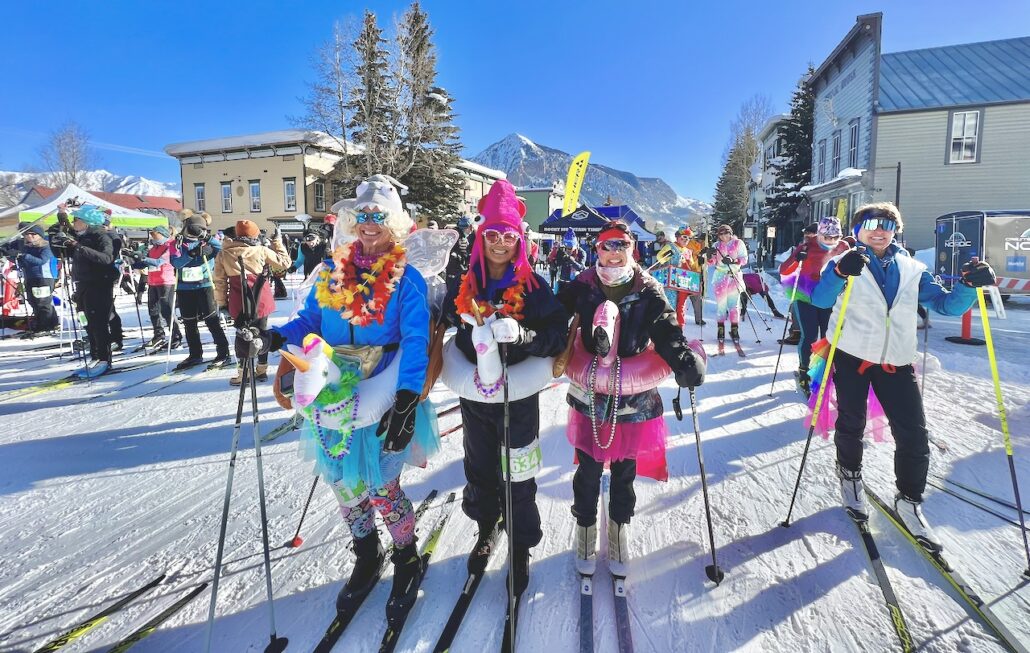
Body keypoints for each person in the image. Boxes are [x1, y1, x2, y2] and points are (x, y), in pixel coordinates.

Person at [237, 175, 440, 618]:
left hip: (384, 391)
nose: (369, 226)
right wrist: (271, 338)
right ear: (352, 221)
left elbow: (415, 340)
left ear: (395, 226)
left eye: (379, 219)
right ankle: (367, 553)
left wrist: (406, 401)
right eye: (362, 217)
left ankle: (405, 556)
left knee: (383, 487)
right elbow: (308, 320)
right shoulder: (331, 269)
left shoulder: (407, 279)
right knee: (345, 486)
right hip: (332, 388)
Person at [810, 202, 995, 550]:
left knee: (914, 434)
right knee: (852, 422)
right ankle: (850, 475)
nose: (879, 230)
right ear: (859, 228)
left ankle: (909, 500)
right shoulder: (843, 262)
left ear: (896, 230)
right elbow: (820, 300)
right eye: (871, 223)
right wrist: (838, 274)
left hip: (897, 361)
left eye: (887, 224)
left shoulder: (912, 268)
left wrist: (969, 285)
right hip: (852, 356)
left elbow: (947, 305)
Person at [558, 220, 706, 578]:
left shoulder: (649, 290)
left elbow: (667, 331)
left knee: (624, 470)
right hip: (591, 392)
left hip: (633, 397)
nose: (614, 251)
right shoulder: (582, 286)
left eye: (621, 244)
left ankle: (620, 526)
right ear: (597, 250)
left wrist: (684, 360)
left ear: (631, 249)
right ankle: (586, 528)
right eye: (607, 245)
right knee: (588, 469)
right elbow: (551, 319)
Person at [441, 179, 568, 595]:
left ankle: (520, 549)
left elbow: (557, 335)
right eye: (491, 234)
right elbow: (441, 323)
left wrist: (524, 335)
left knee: (519, 474)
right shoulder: (464, 282)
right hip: (475, 396)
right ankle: (486, 527)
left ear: (519, 239)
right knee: (479, 469)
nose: (499, 243)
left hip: (518, 399)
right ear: (481, 237)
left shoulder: (533, 287)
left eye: (507, 235)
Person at [778, 216, 850, 397]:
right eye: (827, 237)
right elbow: (784, 270)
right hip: (806, 297)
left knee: (829, 337)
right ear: (819, 235)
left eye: (835, 237)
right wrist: (797, 259)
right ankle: (804, 372)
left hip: (830, 297)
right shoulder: (806, 246)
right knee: (809, 335)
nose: (831, 242)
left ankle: (824, 371)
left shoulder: (843, 247)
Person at [213, 220, 291, 385]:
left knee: (242, 335)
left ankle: (243, 373)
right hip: (261, 299)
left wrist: (221, 304)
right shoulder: (261, 250)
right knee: (261, 333)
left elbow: (219, 281)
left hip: (238, 299)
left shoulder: (224, 253)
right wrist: (277, 242)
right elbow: (285, 263)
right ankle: (261, 369)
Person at [50, 205, 118, 378]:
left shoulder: (101, 236)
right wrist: (61, 214)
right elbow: (67, 229)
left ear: (86, 222)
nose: (74, 223)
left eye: (76, 220)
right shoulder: (83, 236)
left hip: (99, 285)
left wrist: (77, 246)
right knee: (86, 321)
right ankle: (95, 356)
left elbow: (107, 258)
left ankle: (104, 359)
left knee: (99, 323)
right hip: (82, 284)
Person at [170, 213, 231, 371]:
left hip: (205, 286)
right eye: (192, 230)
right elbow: (175, 262)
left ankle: (223, 352)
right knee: (189, 323)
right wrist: (191, 254)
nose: (193, 234)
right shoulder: (178, 243)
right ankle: (195, 354)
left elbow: (222, 249)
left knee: (211, 320)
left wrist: (208, 238)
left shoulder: (206, 243)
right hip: (185, 288)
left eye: (197, 231)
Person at [130, 226, 182, 349]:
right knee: (153, 309)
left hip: (166, 281)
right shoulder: (153, 248)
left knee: (166, 310)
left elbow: (159, 262)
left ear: (163, 235)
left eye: (155, 235)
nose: (153, 237)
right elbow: (145, 262)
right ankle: (158, 335)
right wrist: (133, 260)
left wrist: (142, 258)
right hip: (153, 281)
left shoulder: (170, 246)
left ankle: (176, 335)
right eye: (152, 235)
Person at [1, 225, 59, 335]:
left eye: (33, 234)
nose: (29, 236)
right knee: (33, 301)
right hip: (30, 277)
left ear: (40, 235)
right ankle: (46, 323)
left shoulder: (46, 246)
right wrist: (11, 256)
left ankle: (46, 326)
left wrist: (23, 255)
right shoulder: (28, 247)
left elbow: (40, 261)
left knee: (42, 302)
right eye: (27, 234)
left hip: (43, 277)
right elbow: (23, 260)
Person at [705, 224, 748, 344]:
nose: (724, 236)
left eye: (726, 233)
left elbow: (744, 259)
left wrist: (733, 260)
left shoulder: (738, 243)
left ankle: (735, 329)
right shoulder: (716, 245)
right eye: (721, 234)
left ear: (730, 233)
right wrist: (709, 256)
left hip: (734, 276)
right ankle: (721, 329)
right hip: (720, 277)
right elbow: (712, 263)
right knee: (721, 305)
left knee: (734, 305)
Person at [655, 226, 704, 326]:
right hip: (670, 280)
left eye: (688, 238)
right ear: (677, 237)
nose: (686, 240)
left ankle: (680, 330)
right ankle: (668, 330)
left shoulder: (688, 251)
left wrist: (699, 261)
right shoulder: (671, 246)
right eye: (684, 237)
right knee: (670, 304)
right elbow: (660, 257)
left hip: (683, 282)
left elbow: (692, 266)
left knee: (681, 307)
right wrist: (666, 255)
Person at [548, 228, 586, 294]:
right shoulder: (562, 251)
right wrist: (553, 263)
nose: (568, 250)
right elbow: (557, 263)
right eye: (566, 247)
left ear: (575, 246)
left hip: (575, 284)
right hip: (562, 282)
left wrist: (570, 260)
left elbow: (581, 267)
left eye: (570, 248)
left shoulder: (581, 253)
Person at [444, 215, 473, 288]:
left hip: (451, 270)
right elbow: (461, 254)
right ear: (469, 227)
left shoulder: (453, 234)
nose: (471, 230)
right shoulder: (461, 238)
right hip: (456, 272)